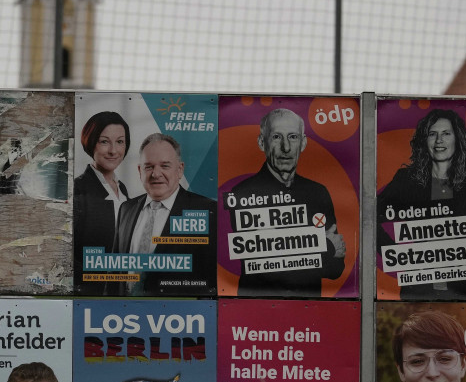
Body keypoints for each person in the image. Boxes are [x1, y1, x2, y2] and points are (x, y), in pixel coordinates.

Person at [377, 109, 466, 299]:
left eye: (446, 134)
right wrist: (395, 255)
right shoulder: (406, 180)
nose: (439, 140)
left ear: (458, 140)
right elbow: (370, 218)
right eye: (432, 134)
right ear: (424, 141)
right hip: (417, 291)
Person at [229, 109, 347, 296]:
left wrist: (290, 253)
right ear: (262, 142)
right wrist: (327, 247)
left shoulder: (318, 193)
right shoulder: (243, 193)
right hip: (257, 310)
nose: (286, 147)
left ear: (303, 143)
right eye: (276, 137)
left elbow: (336, 269)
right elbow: (265, 266)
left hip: (309, 311)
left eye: (293, 137)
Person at [112, 133, 216, 295]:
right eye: (149, 166)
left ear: (180, 169)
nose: (156, 174)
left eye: (165, 166)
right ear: (140, 170)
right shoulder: (126, 209)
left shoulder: (206, 210)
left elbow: (211, 280)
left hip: (179, 315)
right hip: (123, 312)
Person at [73, 111, 133, 294]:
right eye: (104, 141)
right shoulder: (78, 189)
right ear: (91, 143)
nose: (113, 150)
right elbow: (67, 252)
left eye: (120, 142)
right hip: (92, 292)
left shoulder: (122, 189)